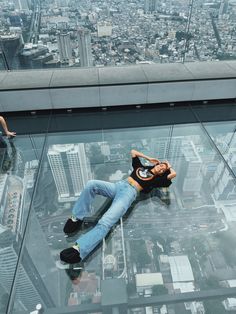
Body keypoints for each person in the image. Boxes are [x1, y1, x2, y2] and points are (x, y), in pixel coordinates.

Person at [60, 149, 176, 264]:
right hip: (119, 186)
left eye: (163, 169)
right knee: (91, 185)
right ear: (157, 163)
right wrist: (149, 158)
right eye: (161, 165)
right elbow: (133, 152)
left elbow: (173, 174)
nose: (161, 167)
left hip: (129, 194)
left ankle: (79, 250)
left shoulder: (157, 179)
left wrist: (168, 166)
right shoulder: (141, 167)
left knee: (105, 222)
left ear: (161, 173)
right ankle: (76, 218)